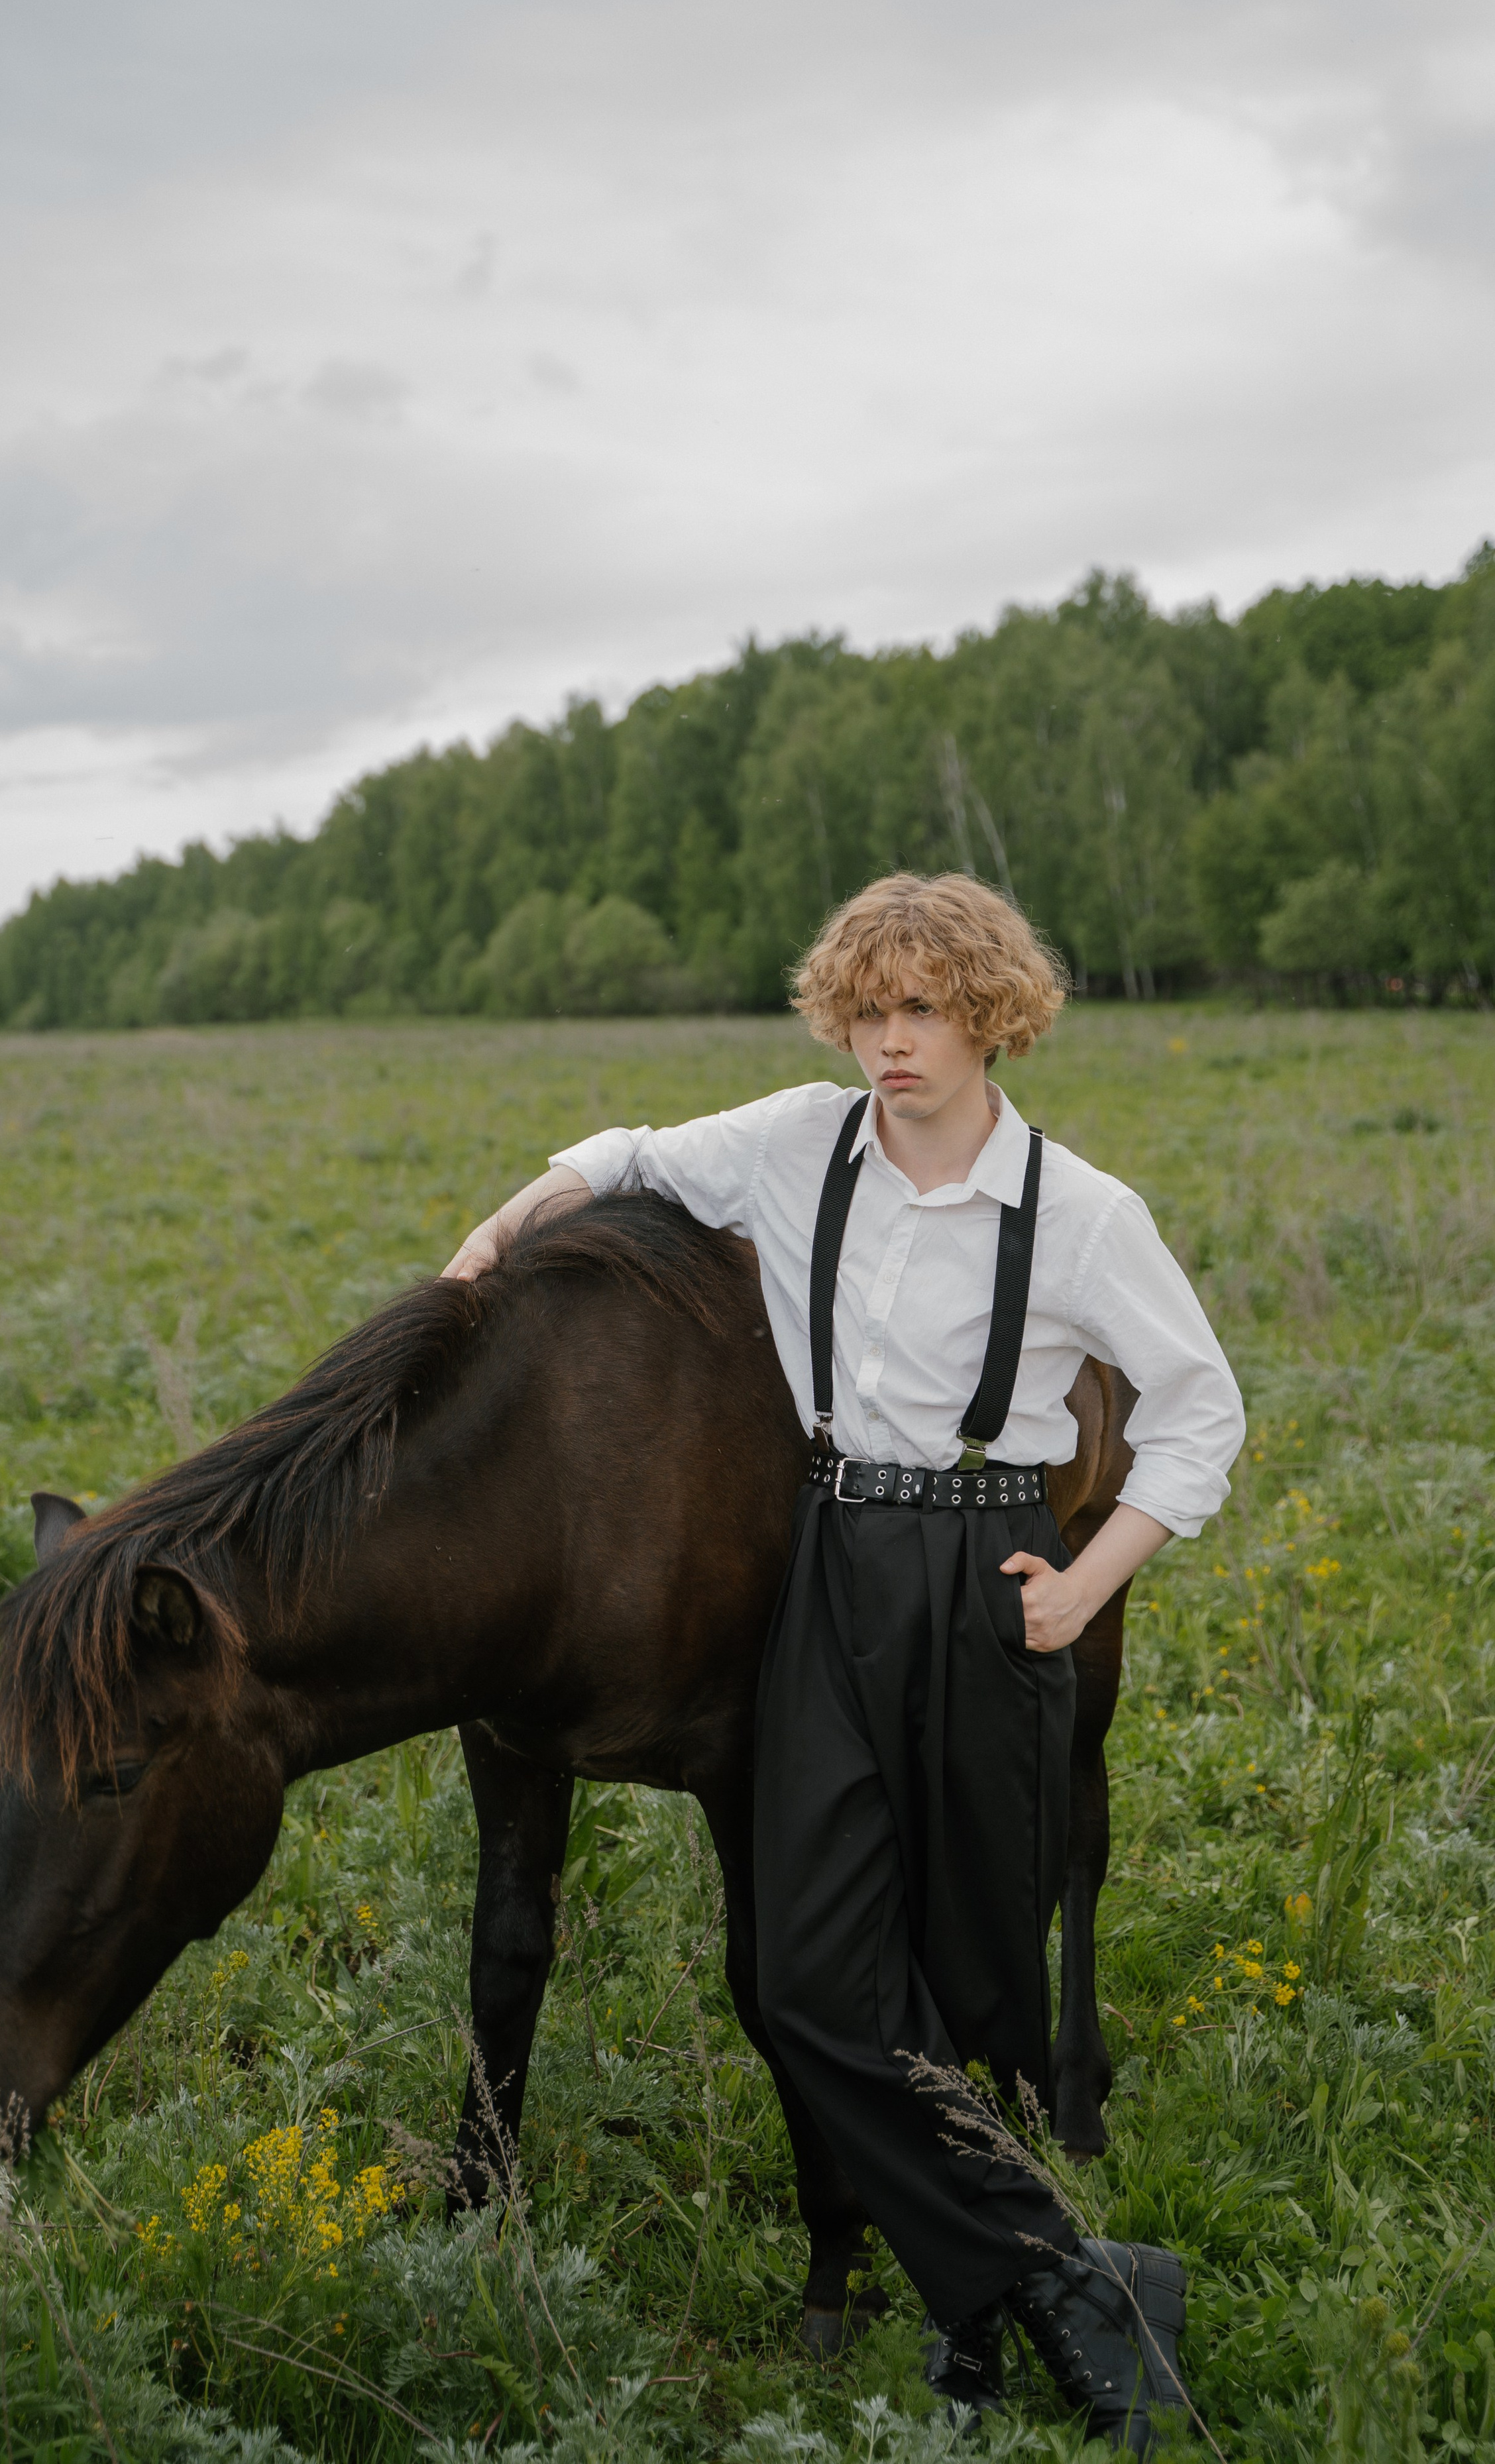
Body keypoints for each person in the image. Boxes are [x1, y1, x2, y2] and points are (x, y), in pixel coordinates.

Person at [446, 871, 1244, 2451]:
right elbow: (621, 1156)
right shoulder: (796, 1142)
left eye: (923, 1011)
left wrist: (1086, 1585)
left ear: (990, 1016)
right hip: (829, 1559)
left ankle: (976, 2312)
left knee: (971, 1967)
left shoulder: (1078, 1212)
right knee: (804, 1976)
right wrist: (484, 1246)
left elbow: (1198, 1407)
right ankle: (1068, 2279)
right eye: (867, 1011)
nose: (891, 1043)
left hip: (985, 1564)